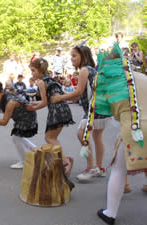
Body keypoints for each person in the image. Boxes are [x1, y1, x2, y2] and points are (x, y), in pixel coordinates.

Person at [85, 43, 147, 225]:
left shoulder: (109, 85)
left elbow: (104, 111)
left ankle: (110, 213)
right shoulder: (142, 76)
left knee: (119, 170)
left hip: (134, 129)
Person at [51, 44, 110, 181]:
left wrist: (60, 97)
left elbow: (77, 92)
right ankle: (100, 168)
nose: (71, 58)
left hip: (93, 109)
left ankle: (91, 167)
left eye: (74, 56)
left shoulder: (84, 70)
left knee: (82, 134)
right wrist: (65, 94)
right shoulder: (90, 69)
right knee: (97, 137)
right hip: (100, 107)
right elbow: (78, 95)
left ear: (83, 56)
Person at [27, 58, 75, 177]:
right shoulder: (49, 79)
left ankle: (65, 161)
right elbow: (46, 101)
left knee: (50, 138)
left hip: (56, 110)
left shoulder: (41, 82)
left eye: (33, 70)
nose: (32, 73)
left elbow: (43, 103)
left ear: (40, 70)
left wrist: (32, 108)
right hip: (63, 109)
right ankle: (64, 159)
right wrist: (33, 103)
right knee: (51, 137)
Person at [0, 81, 37, 169]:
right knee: (17, 138)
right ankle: (36, 151)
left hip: (27, 117)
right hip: (19, 117)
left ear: (2, 92)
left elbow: (4, 122)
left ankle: (26, 159)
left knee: (16, 138)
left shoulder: (11, 102)